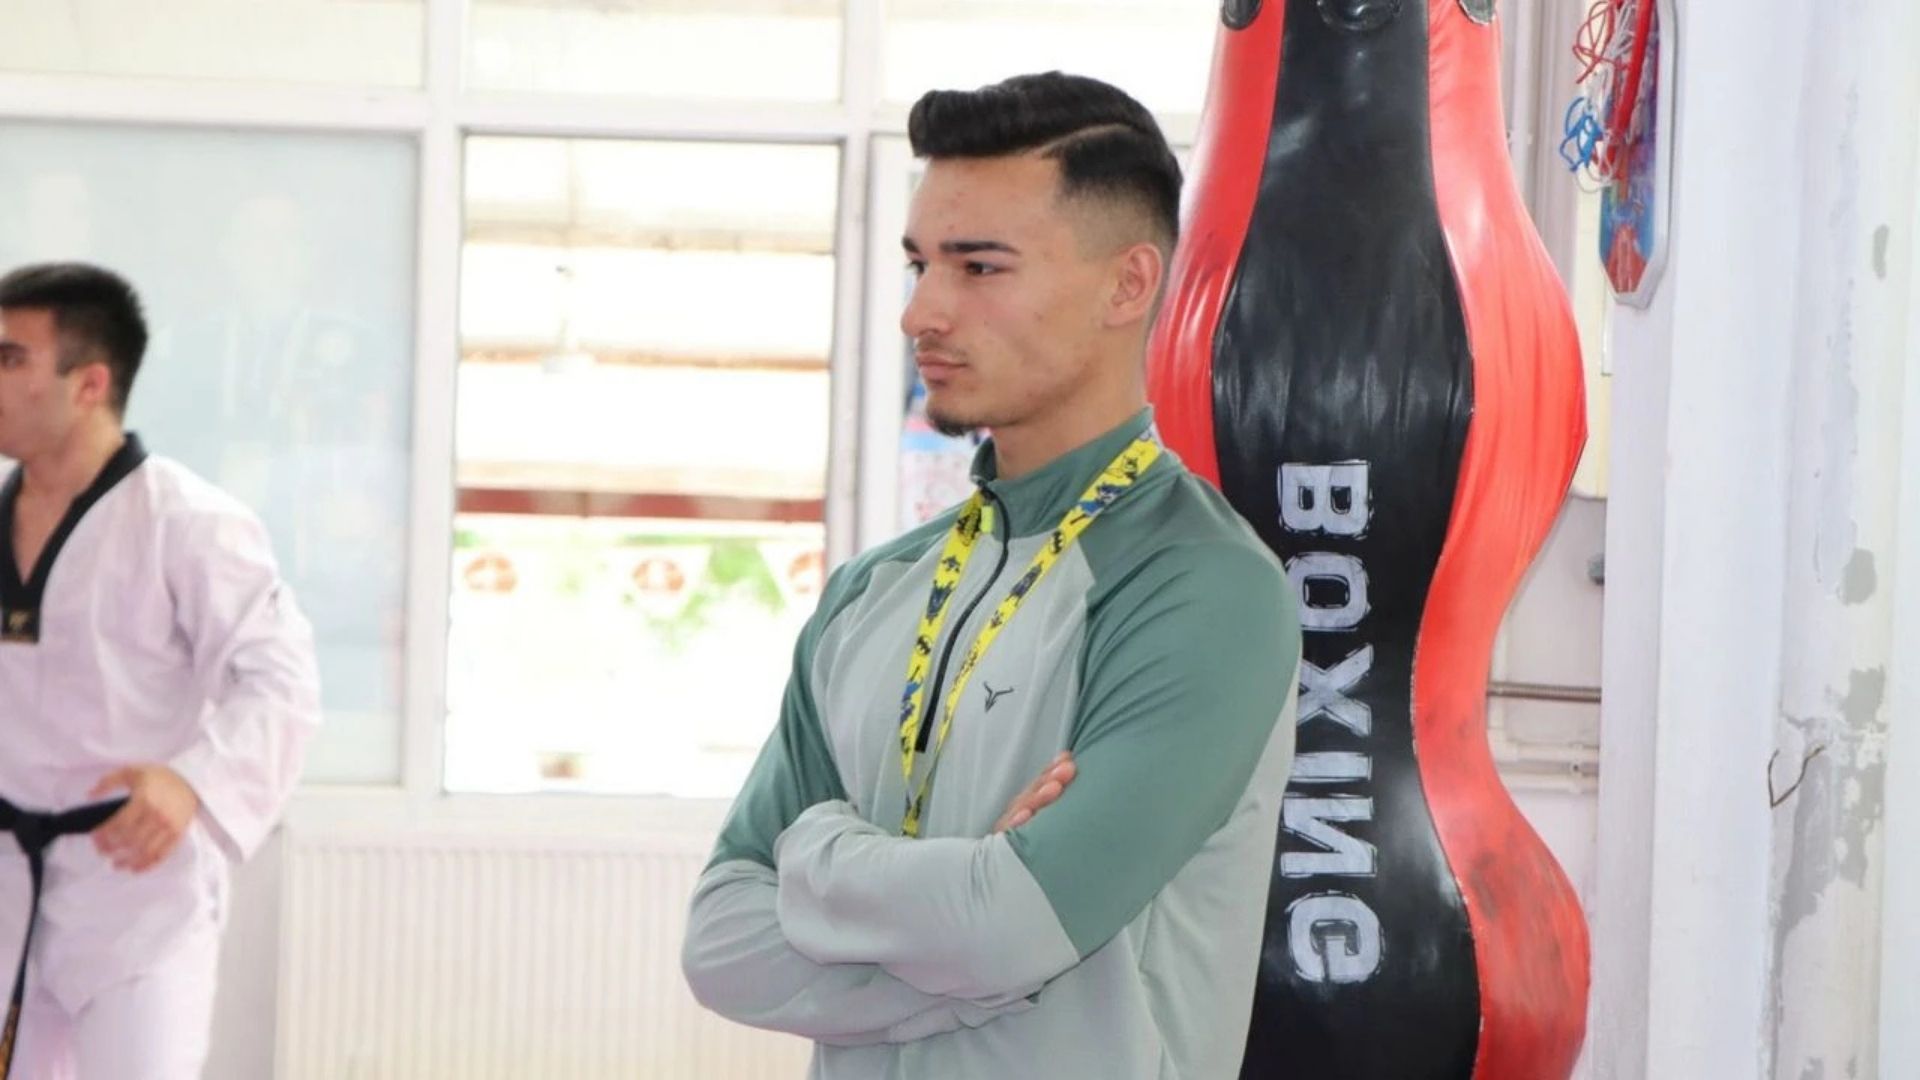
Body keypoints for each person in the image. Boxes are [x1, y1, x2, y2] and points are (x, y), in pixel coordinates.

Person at [682, 72, 1301, 1078]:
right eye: (919, 263)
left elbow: (1012, 929)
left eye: (978, 267)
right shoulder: (872, 591)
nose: (922, 312)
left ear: (1128, 285)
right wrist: (967, 928)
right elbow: (720, 943)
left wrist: (818, 853)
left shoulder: (1203, 588)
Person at [0, 263, 320, 1078]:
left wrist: (193, 782)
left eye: (9, 358)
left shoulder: (190, 523)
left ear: (89, 383)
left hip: (134, 888)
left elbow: (279, 682)